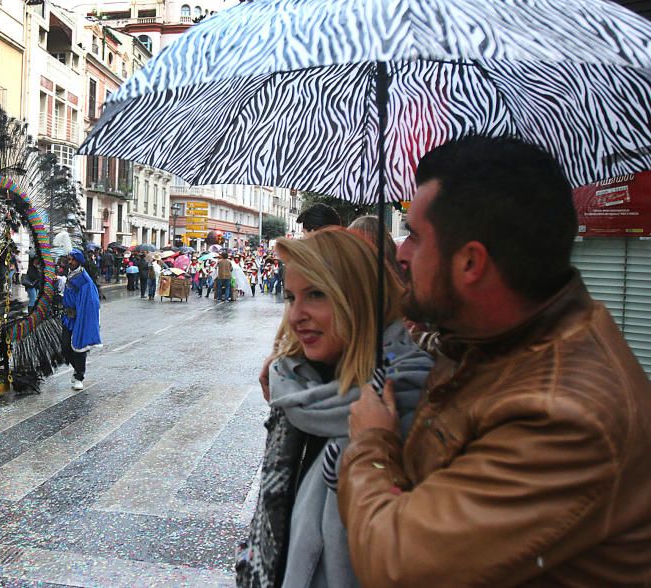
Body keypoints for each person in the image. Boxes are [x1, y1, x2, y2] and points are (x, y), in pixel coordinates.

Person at [340, 136, 651, 586]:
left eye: (416, 236)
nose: (401, 253)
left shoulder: (565, 415)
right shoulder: (486, 337)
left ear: (470, 263)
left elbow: (398, 563)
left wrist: (370, 445)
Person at [237, 228, 432, 588]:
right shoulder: (297, 389)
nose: (296, 315)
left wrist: (375, 445)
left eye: (316, 295)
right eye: (291, 297)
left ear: (357, 298)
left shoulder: (410, 399)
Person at [61, 249, 101, 390]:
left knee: (80, 348)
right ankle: (77, 369)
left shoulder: (84, 279)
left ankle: (79, 376)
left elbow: (91, 300)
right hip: (67, 318)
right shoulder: (70, 274)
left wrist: (80, 314)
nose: (69, 261)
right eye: (69, 259)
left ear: (78, 261)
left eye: (72, 259)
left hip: (79, 318)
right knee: (65, 346)